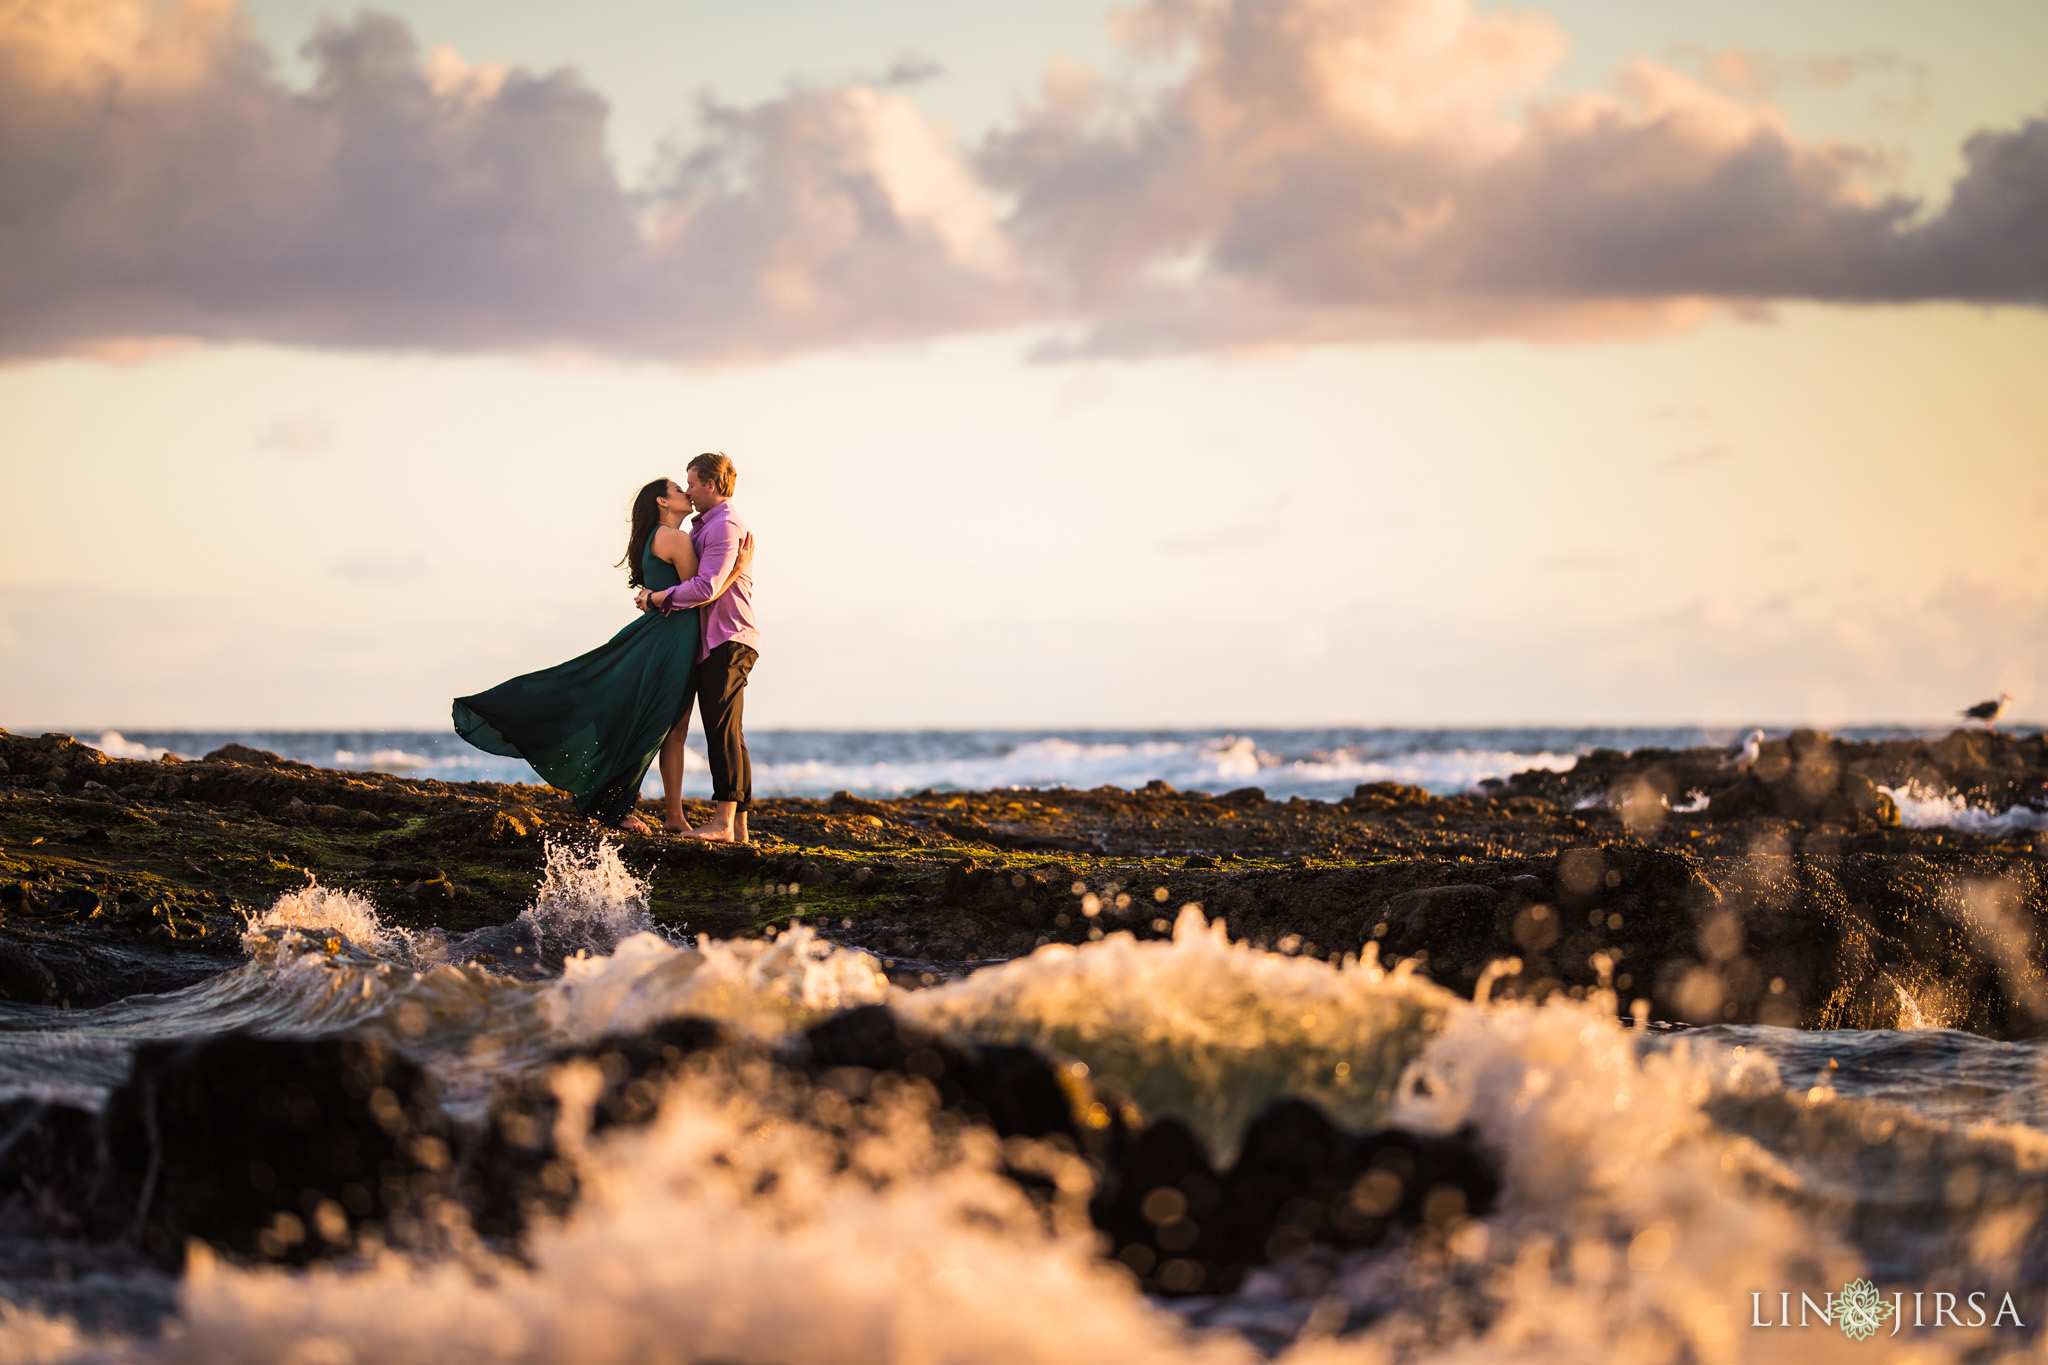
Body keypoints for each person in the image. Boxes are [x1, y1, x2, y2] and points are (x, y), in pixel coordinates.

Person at [452, 476, 751, 834]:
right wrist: (737, 567)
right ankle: (622, 805)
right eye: (678, 489)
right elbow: (705, 592)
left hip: (668, 637)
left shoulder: (653, 539)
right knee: (657, 726)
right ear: (661, 501)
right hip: (674, 640)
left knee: (670, 729)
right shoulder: (675, 538)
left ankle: (674, 817)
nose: (686, 493)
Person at [637, 451, 758, 843]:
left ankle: (723, 823)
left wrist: (657, 598)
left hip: (728, 635)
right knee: (730, 731)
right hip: (717, 639)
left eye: (691, 483)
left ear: (710, 484)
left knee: (721, 728)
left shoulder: (724, 525)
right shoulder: (703, 527)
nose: (687, 490)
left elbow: (706, 588)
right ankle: (737, 827)